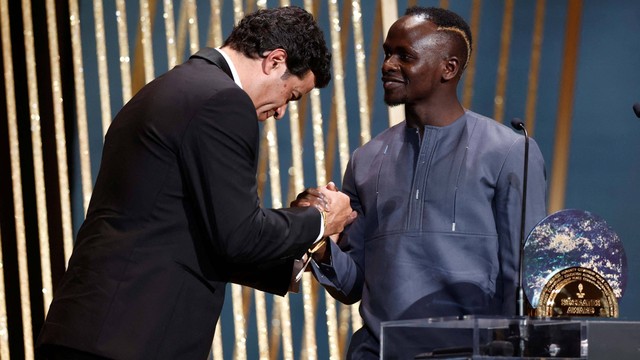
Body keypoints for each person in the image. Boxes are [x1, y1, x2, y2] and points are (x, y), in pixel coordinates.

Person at [36, 6, 355, 360]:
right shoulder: (223, 101)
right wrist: (322, 219)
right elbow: (239, 235)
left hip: (93, 328)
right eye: (291, 96)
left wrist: (307, 246)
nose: (280, 112)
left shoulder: (169, 87)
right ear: (275, 61)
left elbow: (194, 230)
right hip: (133, 337)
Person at [302, 6, 547, 359]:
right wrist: (321, 244)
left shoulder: (509, 151)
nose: (387, 64)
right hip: (377, 351)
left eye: (405, 55)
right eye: (387, 52)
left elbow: (524, 281)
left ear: (449, 67)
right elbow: (354, 283)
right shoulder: (366, 159)